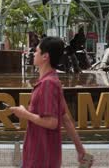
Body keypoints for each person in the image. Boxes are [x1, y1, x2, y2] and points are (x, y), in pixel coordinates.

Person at [10, 36, 89, 168]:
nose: (34, 54)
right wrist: (80, 150)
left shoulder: (48, 84)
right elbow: (65, 118)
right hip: (45, 156)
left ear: (45, 56)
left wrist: (24, 114)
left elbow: (52, 122)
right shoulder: (53, 81)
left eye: (36, 51)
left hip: (40, 157)